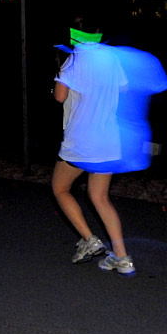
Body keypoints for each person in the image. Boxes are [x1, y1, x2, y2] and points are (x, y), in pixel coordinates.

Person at [51, 20, 133, 275]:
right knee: (100, 197)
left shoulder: (73, 61)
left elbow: (59, 97)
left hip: (81, 140)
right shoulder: (111, 59)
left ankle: (89, 239)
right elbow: (124, 89)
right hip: (108, 138)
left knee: (60, 188)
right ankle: (122, 258)